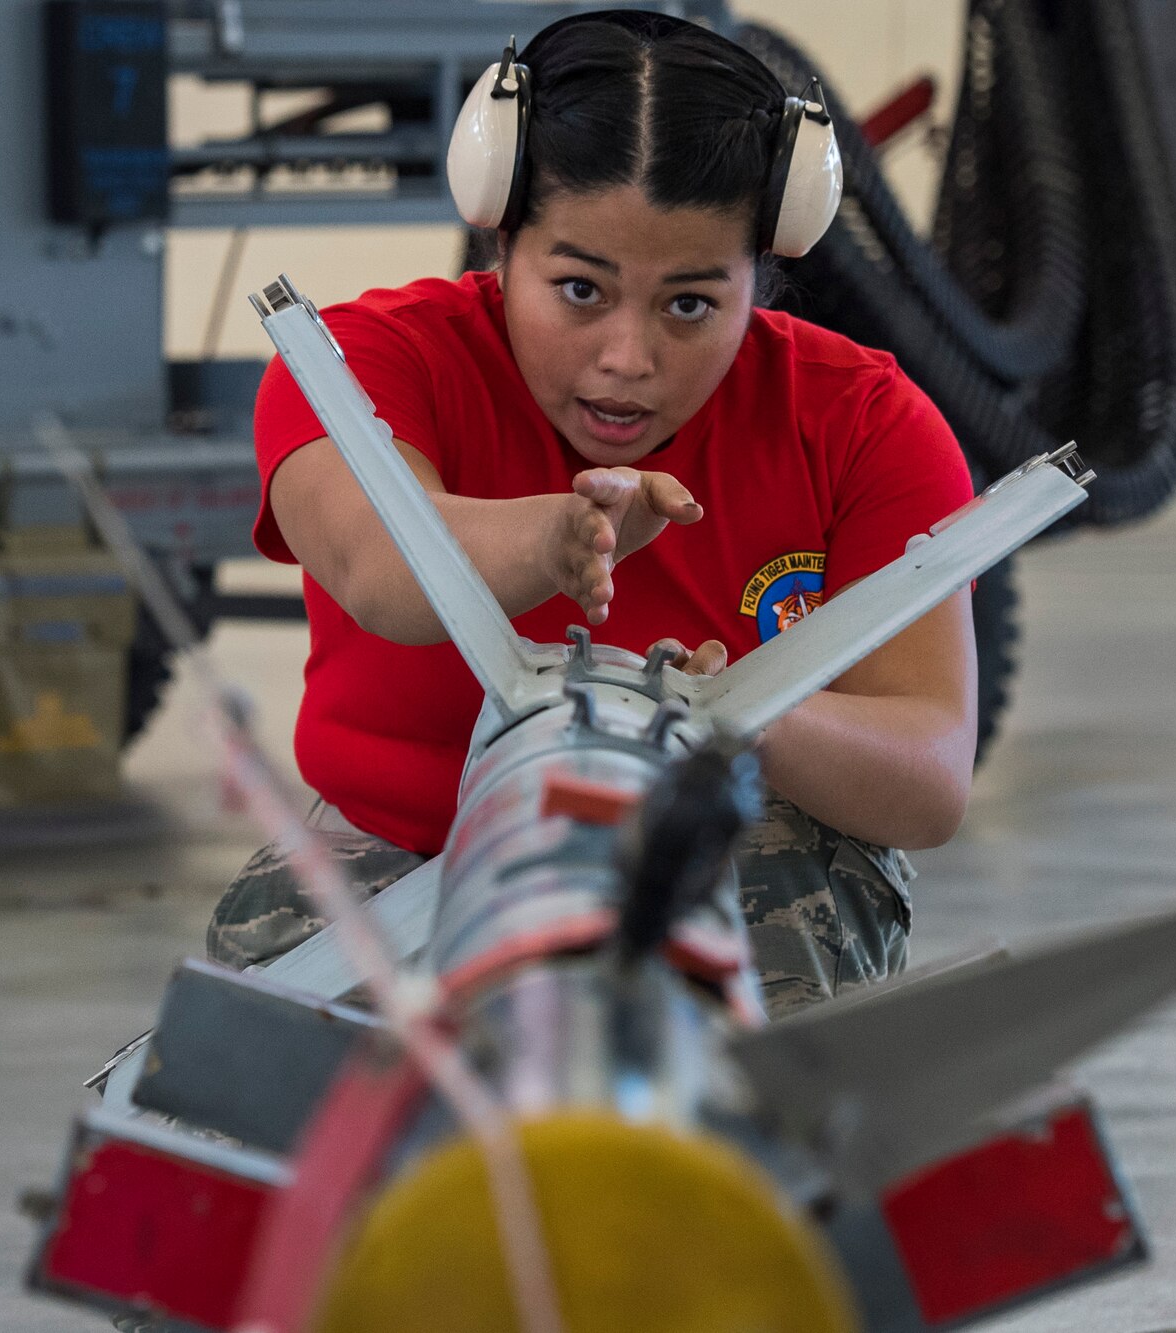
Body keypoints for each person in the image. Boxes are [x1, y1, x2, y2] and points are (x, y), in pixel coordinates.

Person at [209, 10, 978, 1017]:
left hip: (726, 855)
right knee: (235, 1112)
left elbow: (926, 778)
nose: (627, 358)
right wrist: (554, 537)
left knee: (754, 1131)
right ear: (499, 235)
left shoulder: (860, 423)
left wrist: (742, 717)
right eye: (578, 289)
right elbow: (378, 569)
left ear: (761, 273)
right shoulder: (366, 368)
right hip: (408, 860)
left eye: (690, 304)